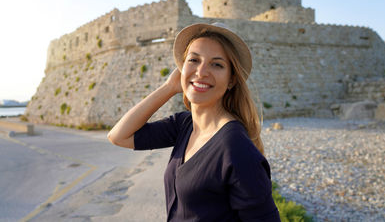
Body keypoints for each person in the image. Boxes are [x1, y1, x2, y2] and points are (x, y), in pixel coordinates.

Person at [107, 22, 280, 221]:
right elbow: (118, 136)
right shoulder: (184, 125)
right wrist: (169, 87)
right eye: (193, 60)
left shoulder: (236, 149)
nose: (201, 71)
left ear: (232, 80)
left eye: (217, 64)